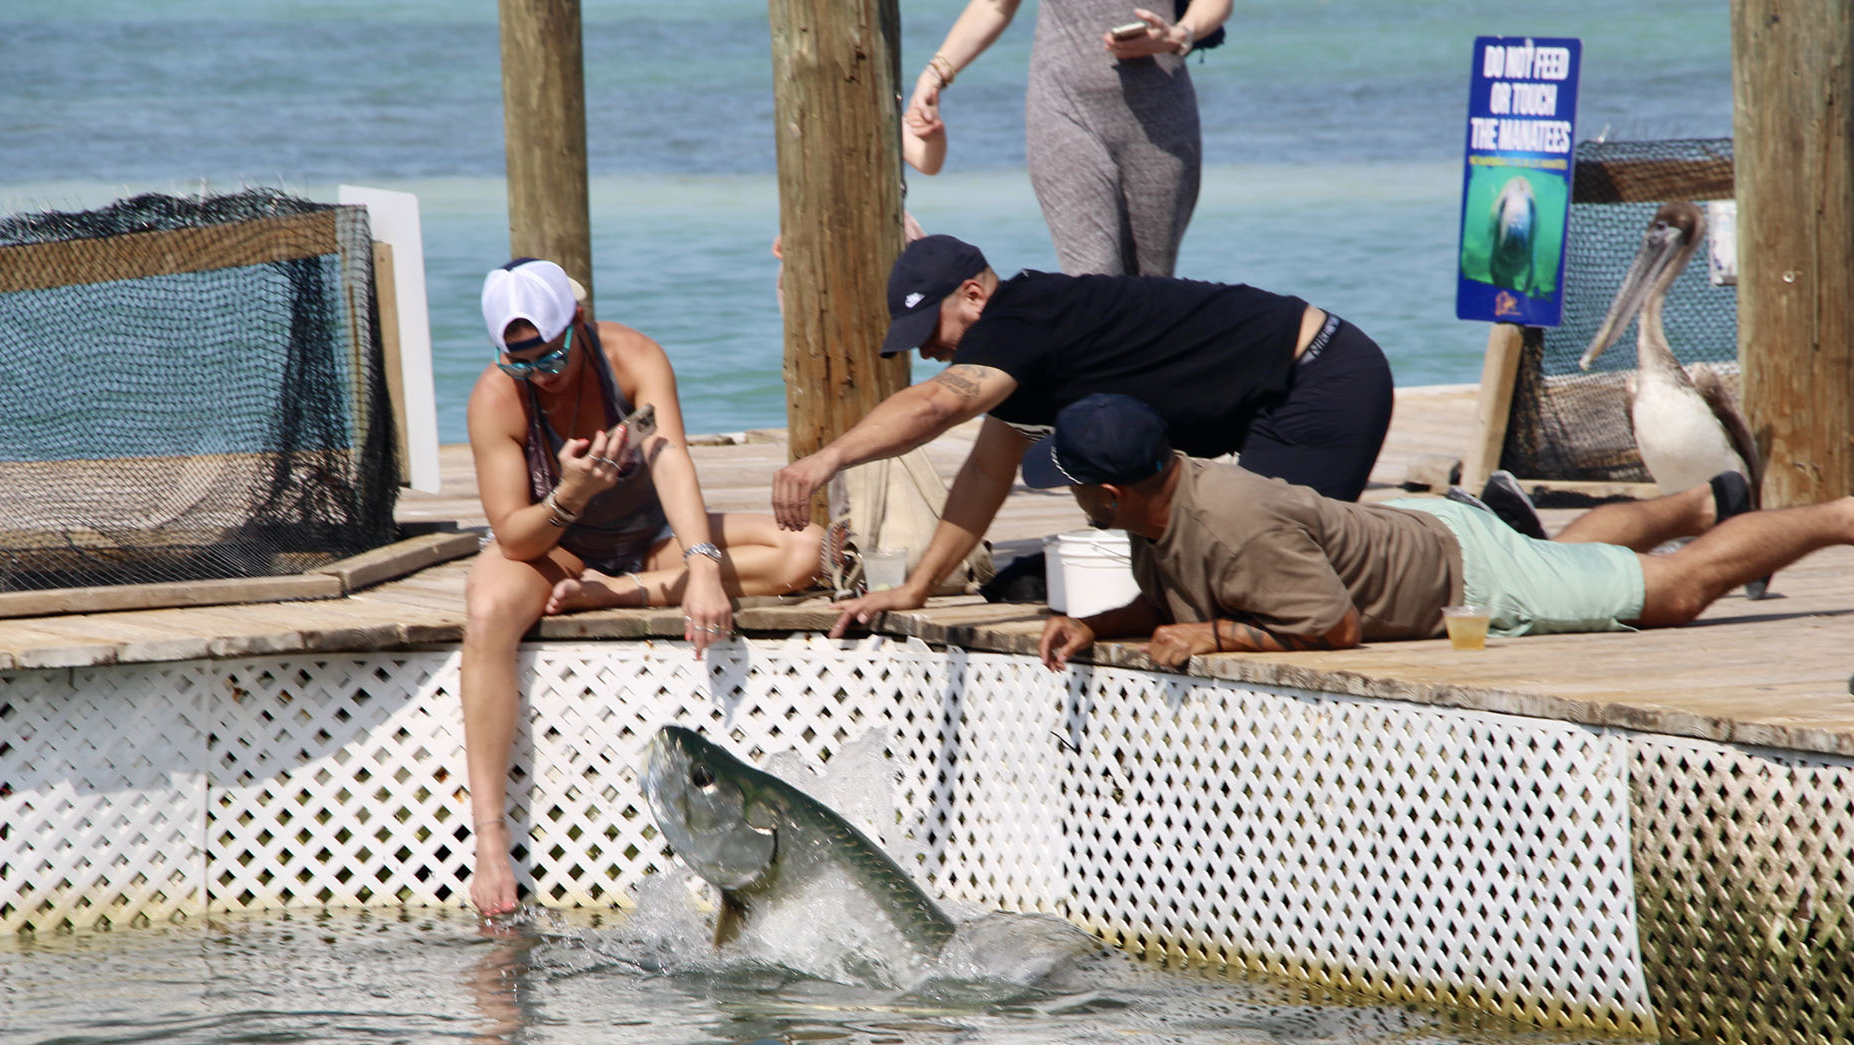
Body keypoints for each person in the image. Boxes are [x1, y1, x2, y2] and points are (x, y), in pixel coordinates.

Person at [778, 234, 1393, 630]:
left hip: (1318, 375)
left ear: (972, 295)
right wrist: (916, 588)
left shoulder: (1020, 320)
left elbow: (938, 406)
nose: (933, 352)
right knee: (1224, 589)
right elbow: (986, 475)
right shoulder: (1023, 353)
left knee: (1270, 574)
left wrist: (825, 461)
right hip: (1280, 394)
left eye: (930, 332)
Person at [464, 258, 823, 917]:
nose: (540, 373)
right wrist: (572, 493)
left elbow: (670, 458)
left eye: (553, 354)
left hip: (650, 538)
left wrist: (704, 564)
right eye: (523, 364)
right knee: (486, 613)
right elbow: (515, 537)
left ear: (578, 320)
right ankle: (490, 838)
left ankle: (629, 592)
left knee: (807, 549)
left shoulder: (631, 359)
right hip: (557, 549)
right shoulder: (495, 398)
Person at [1021, 393, 1852, 671]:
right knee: (1556, 559)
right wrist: (1093, 626)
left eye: (1070, 487)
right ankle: (1706, 506)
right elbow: (1164, 599)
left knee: (1673, 593)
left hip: (1466, 579)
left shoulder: (1233, 525)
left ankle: (1838, 519)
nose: (1069, 499)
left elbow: (1332, 627)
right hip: (1431, 535)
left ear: (1107, 491)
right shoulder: (1159, 501)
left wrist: (1213, 635)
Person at [906, 0, 1235, 276]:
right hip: (1064, 108)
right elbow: (995, 5)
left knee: (1152, 285)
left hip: (1161, 114)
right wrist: (935, 74)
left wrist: (1180, 33)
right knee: (1093, 276)